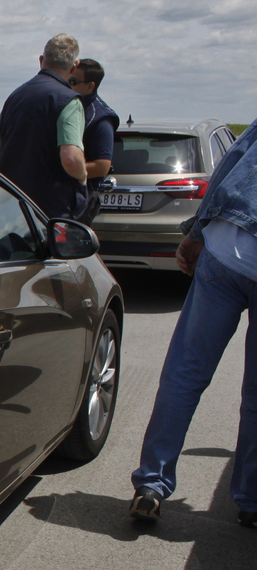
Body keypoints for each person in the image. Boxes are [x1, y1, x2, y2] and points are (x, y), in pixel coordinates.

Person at [129, 117, 257, 529]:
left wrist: (196, 231)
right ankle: (251, 499)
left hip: (226, 249)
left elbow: (231, 163)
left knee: (185, 374)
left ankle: (151, 483)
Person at [0, 34, 87, 219]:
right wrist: (82, 177)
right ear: (74, 67)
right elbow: (71, 158)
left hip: (11, 203)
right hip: (50, 210)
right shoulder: (69, 101)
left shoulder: (15, 96)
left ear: (41, 61)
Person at [71, 58, 118, 224]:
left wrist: (63, 170)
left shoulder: (100, 119)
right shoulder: (70, 106)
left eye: (73, 81)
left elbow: (102, 166)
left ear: (90, 86)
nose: (67, 85)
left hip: (82, 196)